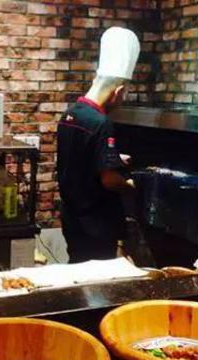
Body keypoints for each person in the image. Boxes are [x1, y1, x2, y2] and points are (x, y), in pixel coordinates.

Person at [56, 27, 141, 263]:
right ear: (118, 91)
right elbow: (109, 180)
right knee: (97, 278)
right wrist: (134, 186)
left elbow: (79, 156)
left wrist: (112, 158)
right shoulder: (101, 123)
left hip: (72, 218)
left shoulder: (70, 114)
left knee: (77, 268)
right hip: (96, 223)